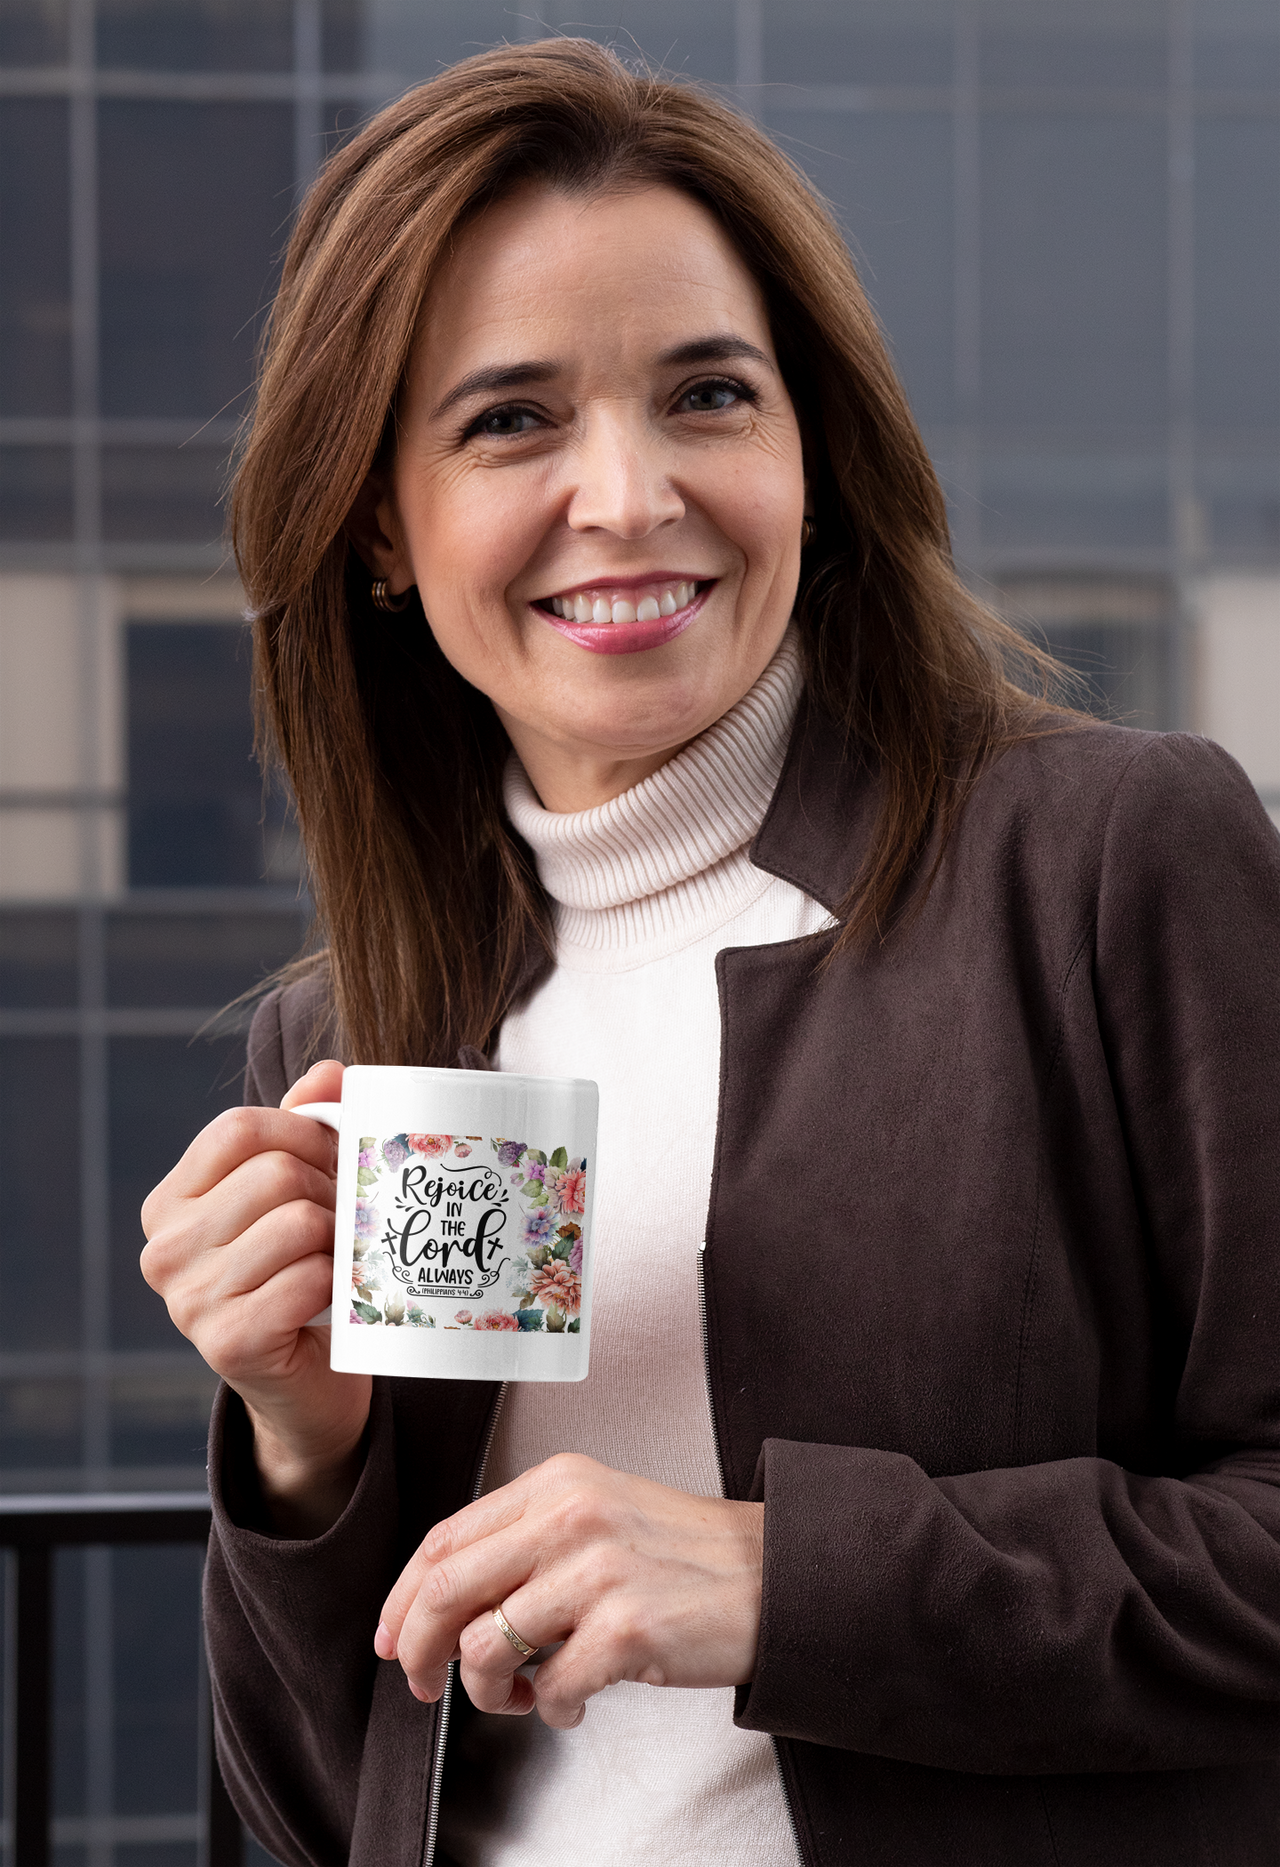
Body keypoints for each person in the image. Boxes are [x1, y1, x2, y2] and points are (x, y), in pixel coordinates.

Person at [140, 36, 1280, 1867]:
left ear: (809, 448)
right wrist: (302, 1445)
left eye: (707, 396)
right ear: (374, 522)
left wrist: (777, 1577)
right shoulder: (357, 1035)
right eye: (512, 419)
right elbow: (307, 1803)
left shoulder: (1102, 865)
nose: (630, 494)